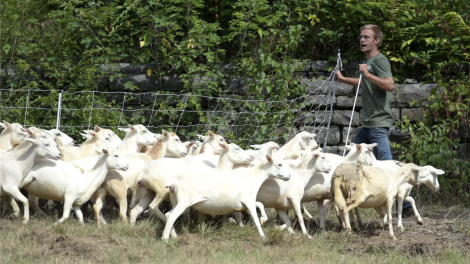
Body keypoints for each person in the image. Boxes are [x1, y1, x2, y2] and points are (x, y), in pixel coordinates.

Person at [336, 24, 413, 215]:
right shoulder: (369, 61)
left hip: (378, 124)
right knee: (350, 161)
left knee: (387, 166)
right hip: (368, 124)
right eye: (361, 37)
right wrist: (344, 79)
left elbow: (390, 85)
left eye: (367, 37)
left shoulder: (380, 61)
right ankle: (351, 198)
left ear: (376, 41)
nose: (362, 40)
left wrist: (368, 74)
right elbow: (366, 84)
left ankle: (405, 207)